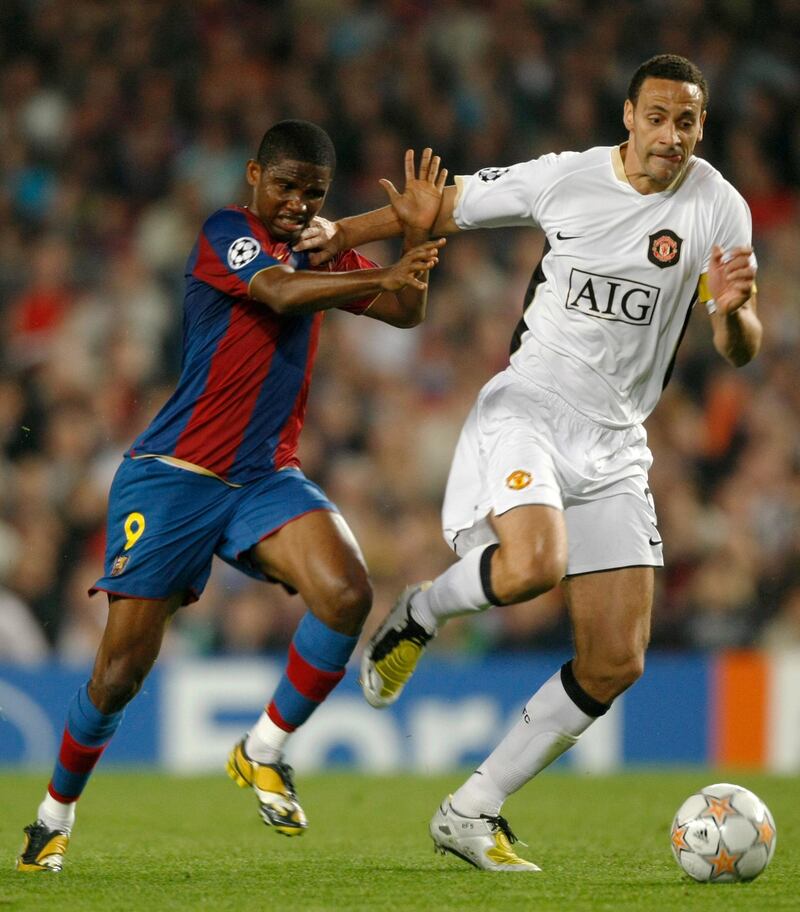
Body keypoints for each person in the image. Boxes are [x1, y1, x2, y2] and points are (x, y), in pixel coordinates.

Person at [296, 55, 762, 871]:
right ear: (628, 117)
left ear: (700, 128)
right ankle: (423, 612)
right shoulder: (567, 181)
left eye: (687, 121)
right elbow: (438, 207)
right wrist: (342, 233)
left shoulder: (718, 207)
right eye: (657, 116)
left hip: (617, 446)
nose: (671, 134)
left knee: (615, 660)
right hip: (531, 410)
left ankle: (471, 810)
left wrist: (733, 313)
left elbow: (737, 346)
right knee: (533, 566)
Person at [16, 119, 446, 873]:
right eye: (284, 187)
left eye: (312, 193)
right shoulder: (226, 231)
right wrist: (377, 271)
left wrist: (414, 253)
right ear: (254, 176)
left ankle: (264, 747)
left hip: (263, 477)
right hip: (174, 474)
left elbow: (406, 312)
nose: (295, 204)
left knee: (347, 592)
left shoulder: (322, 247)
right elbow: (278, 294)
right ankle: (54, 815)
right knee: (119, 673)